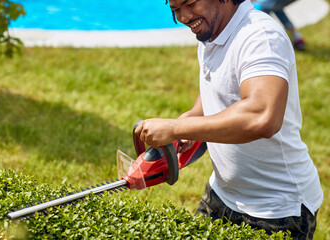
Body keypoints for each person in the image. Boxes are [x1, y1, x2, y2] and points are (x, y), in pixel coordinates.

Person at [134, 0, 323, 239]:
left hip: (279, 209)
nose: (183, 16)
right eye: (175, 10)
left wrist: (176, 127)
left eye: (190, 3)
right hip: (222, 194)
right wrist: (189, 124)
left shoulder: (260, 36)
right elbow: (213, 90)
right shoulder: (212, 32)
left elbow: (262, 116)